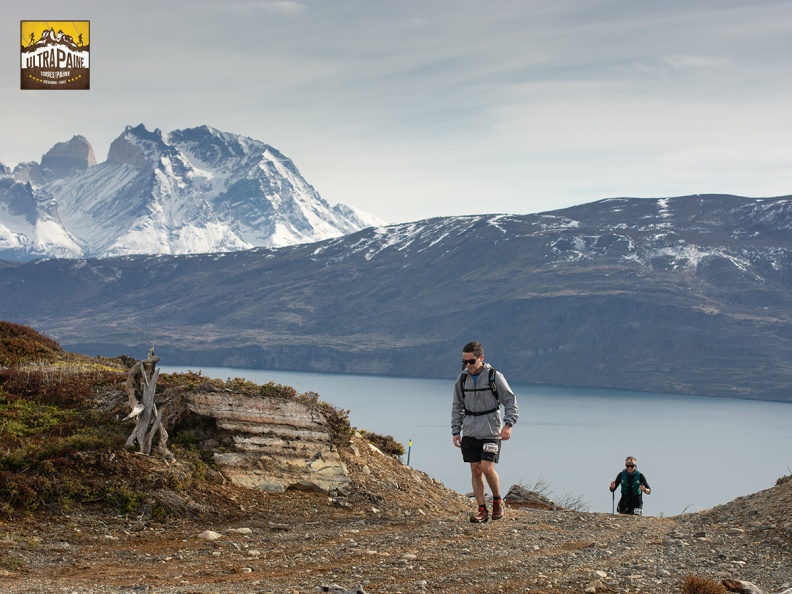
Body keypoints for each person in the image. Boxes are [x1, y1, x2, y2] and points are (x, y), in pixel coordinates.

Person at [451, 341, 519, 523]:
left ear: (481, 358)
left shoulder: (494, 377)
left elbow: (510, 401)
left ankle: (497, 500)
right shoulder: (462, 379)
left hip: (491, 430)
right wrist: (455, 431)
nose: (467, 365)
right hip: (470, 431)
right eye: (464, 362)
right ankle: (482, 509)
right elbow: (457, 406)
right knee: (475, 470)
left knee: (487, 468)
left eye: (471, 361)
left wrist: (508, 424)